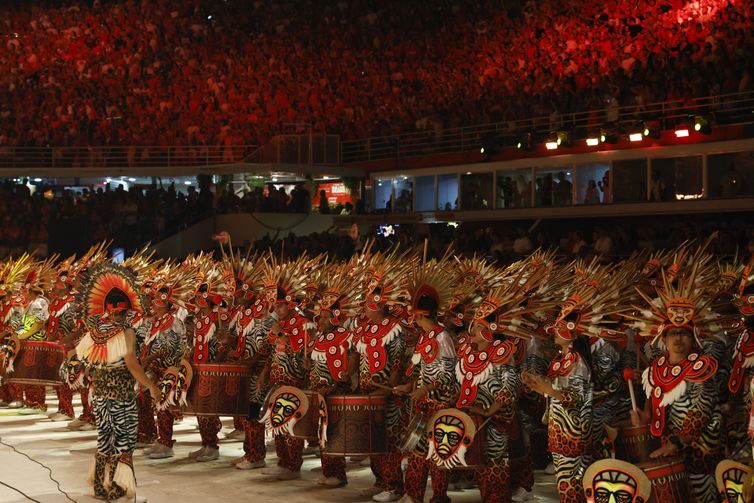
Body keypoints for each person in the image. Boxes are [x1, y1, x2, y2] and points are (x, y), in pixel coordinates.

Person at [75, 264, 157, 503]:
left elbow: (84, 361)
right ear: (126, 310)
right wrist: (150, 385)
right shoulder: (126, 332)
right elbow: (132, 364)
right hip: (122, 396)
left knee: (105, 438)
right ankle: (118, 488)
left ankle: (101, 487)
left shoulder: (95, 331)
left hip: (100, 395)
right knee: (124, 441)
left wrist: (97, 376)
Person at [395, 264, 456, 503]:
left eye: (415, 317)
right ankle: (414, 495)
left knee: (438, 454)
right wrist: (410, 387)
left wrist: (426, 389)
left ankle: (439, 497)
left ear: (421, 315)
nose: (414, 320)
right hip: (422, 404)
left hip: (439, 406)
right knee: (417, 453)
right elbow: (420, 371)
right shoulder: (424, 337)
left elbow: (448, 376)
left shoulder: (443, 337)